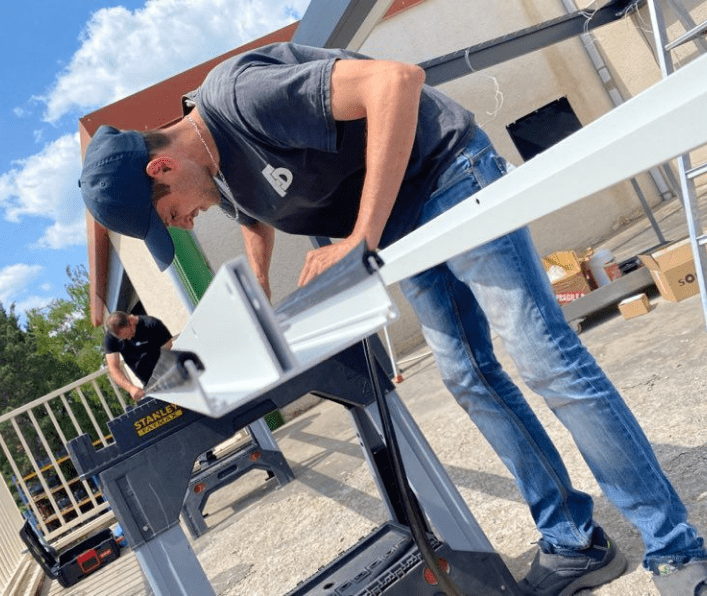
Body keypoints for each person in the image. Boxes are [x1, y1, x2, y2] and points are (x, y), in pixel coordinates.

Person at [79, 42, 707, 595]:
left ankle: (677, 552)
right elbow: (253, 214)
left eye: (170, 215)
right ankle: (576, 544)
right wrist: (258, 296)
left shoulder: (241, 96)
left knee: (540, 354)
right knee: (468, 378)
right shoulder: (212, 172)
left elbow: (396, 82)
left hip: (445, 174)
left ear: (161, 167)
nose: (184, 222)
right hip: (396, 219)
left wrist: (360, 237)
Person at [104, 311, 173, 401]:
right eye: (123, 338)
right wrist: (131, 388)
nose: (128, 338)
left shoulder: (152, 324)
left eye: (127, 334)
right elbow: (113, 368)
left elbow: (168, 348)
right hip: (149, 385)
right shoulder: (110, 338)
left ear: (131, 320)